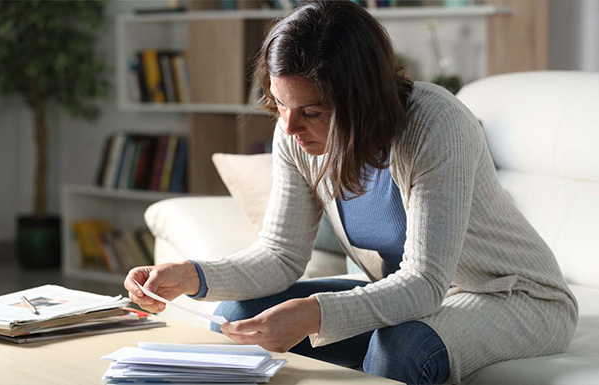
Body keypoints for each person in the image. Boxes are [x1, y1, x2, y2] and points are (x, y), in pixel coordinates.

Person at [124, 1, 578, 384]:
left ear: (362, 100)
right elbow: (280, 255)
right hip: (408, 293)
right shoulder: (295, 137)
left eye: (312, 111)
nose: (289, 127)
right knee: (237, 313)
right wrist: (188, 275)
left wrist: (313, 313)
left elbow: (424, 284)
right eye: (280, 103)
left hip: (513, 297)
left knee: (399, 349)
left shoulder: (437, 124)